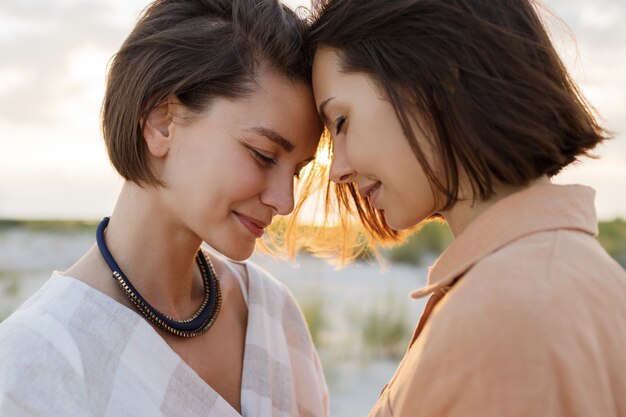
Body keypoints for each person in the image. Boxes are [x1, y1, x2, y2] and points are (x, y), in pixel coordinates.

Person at [0, 0, 328, 416]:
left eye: (297, 171)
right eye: (263, 155)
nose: (285, 201)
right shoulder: (38, 362)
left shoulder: (272, 312)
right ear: (161, 123)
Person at [307, 0, 626, 416]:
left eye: (342, 122)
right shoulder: (564, 277)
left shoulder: (510, 315)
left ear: (435, 76)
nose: (338, 170)